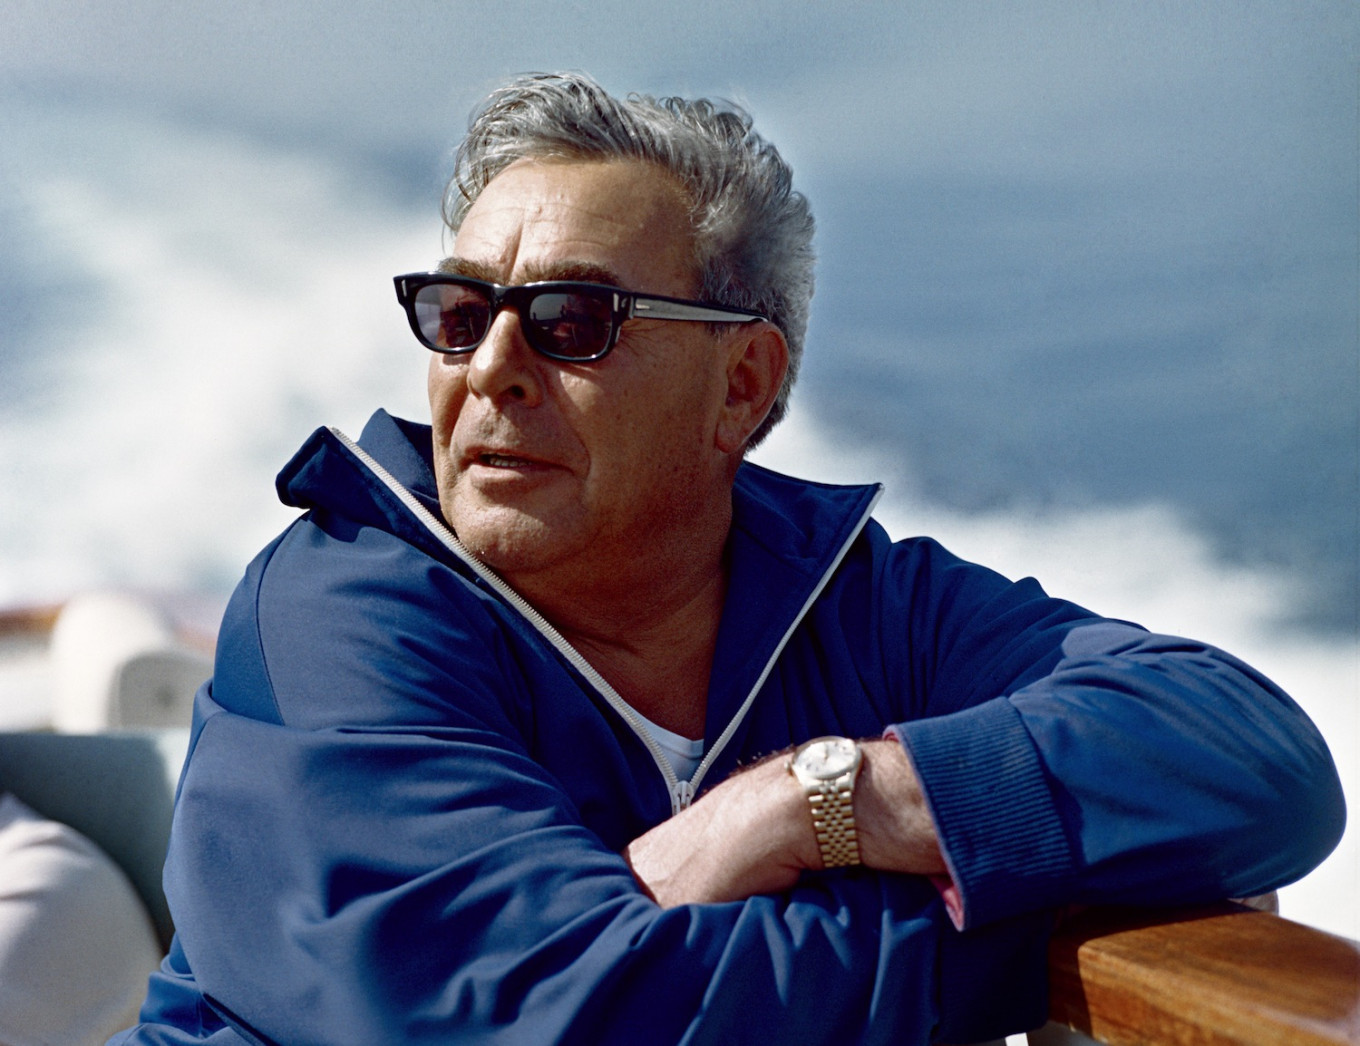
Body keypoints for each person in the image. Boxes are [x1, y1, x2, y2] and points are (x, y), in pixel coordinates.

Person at [113, 73, 1345, 1045]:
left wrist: (817, 800)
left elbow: (1251, 753)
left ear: (741, 384)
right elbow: (570, 1015)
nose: (490, 367)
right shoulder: (336, 609)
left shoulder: (856, 602)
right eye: (459, 312)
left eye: (571, 321)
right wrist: (1029, 928)